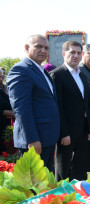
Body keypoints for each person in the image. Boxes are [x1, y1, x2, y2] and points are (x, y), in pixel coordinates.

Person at [7, 35, 60, 170]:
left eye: (46, 48)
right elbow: (21, 108)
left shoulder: (42, 71)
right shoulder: (20, 69)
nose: (43, 50)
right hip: (35, 140)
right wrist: (32, 139)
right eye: (38, 46)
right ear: (27, 48)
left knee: (44, 183)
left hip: (47, 138)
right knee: (34, 186)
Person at [51, 40, 90, 181]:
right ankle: (63, 197)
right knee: (63, 169)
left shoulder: (81, 75)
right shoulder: (57, 75)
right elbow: (58, 107)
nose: (76, 55)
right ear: (64, 54)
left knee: (80, 168)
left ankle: (79, 197)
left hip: (82, 131)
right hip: (66, 133)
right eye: (72, 52)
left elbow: (86, 103)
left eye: (78, 53)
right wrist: (64, 133)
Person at [0, 69, 14, 153]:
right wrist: (2, 112)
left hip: (4, 126)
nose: (1, 79)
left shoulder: (2, 90)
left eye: (1, 76)